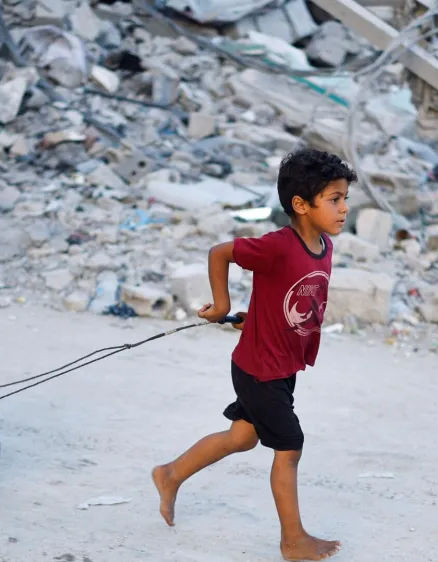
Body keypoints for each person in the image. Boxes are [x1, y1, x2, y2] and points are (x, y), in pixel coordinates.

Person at [151, 148, 356, 561]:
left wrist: (256, 317)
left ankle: (170, 474)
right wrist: (222, 305)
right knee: (290, 445)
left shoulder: (323, 246)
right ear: (301, 205)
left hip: (278, 364)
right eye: (334, 199)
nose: (344, 208)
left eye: (345, 198)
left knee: (242, 437)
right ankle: (292, 540)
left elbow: (288, 296)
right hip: (260, 368)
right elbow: (220, 252)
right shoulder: (277, 245)